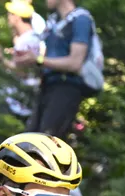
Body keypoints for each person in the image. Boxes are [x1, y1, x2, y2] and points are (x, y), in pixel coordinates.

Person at [15, 0, 97, 138]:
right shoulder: (54, 23)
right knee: (30, 140)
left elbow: (75, 63)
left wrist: (39, 60)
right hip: (47, 87)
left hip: (66, 88)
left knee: (46, 142)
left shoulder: (81, 19)